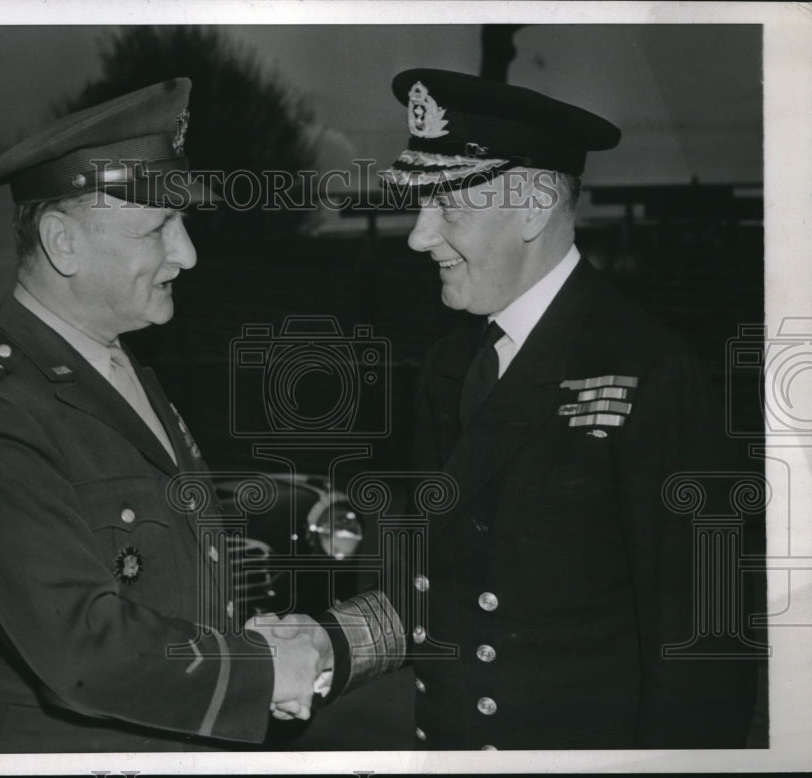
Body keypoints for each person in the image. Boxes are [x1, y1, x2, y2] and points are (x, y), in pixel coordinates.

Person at [271, 68, 759, 750]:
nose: (418, 237)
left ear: (531, 209)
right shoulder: (449, 367)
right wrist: (325, 642)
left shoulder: (651, 372)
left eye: (448, 208)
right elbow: (440, 585)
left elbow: (705, 652)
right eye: (419, 206)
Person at [0, 78, 324, 753]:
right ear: (62, 243)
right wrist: (267, 667)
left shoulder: (116, 365)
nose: (186, 254)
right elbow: (81, 647)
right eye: (158, 228)